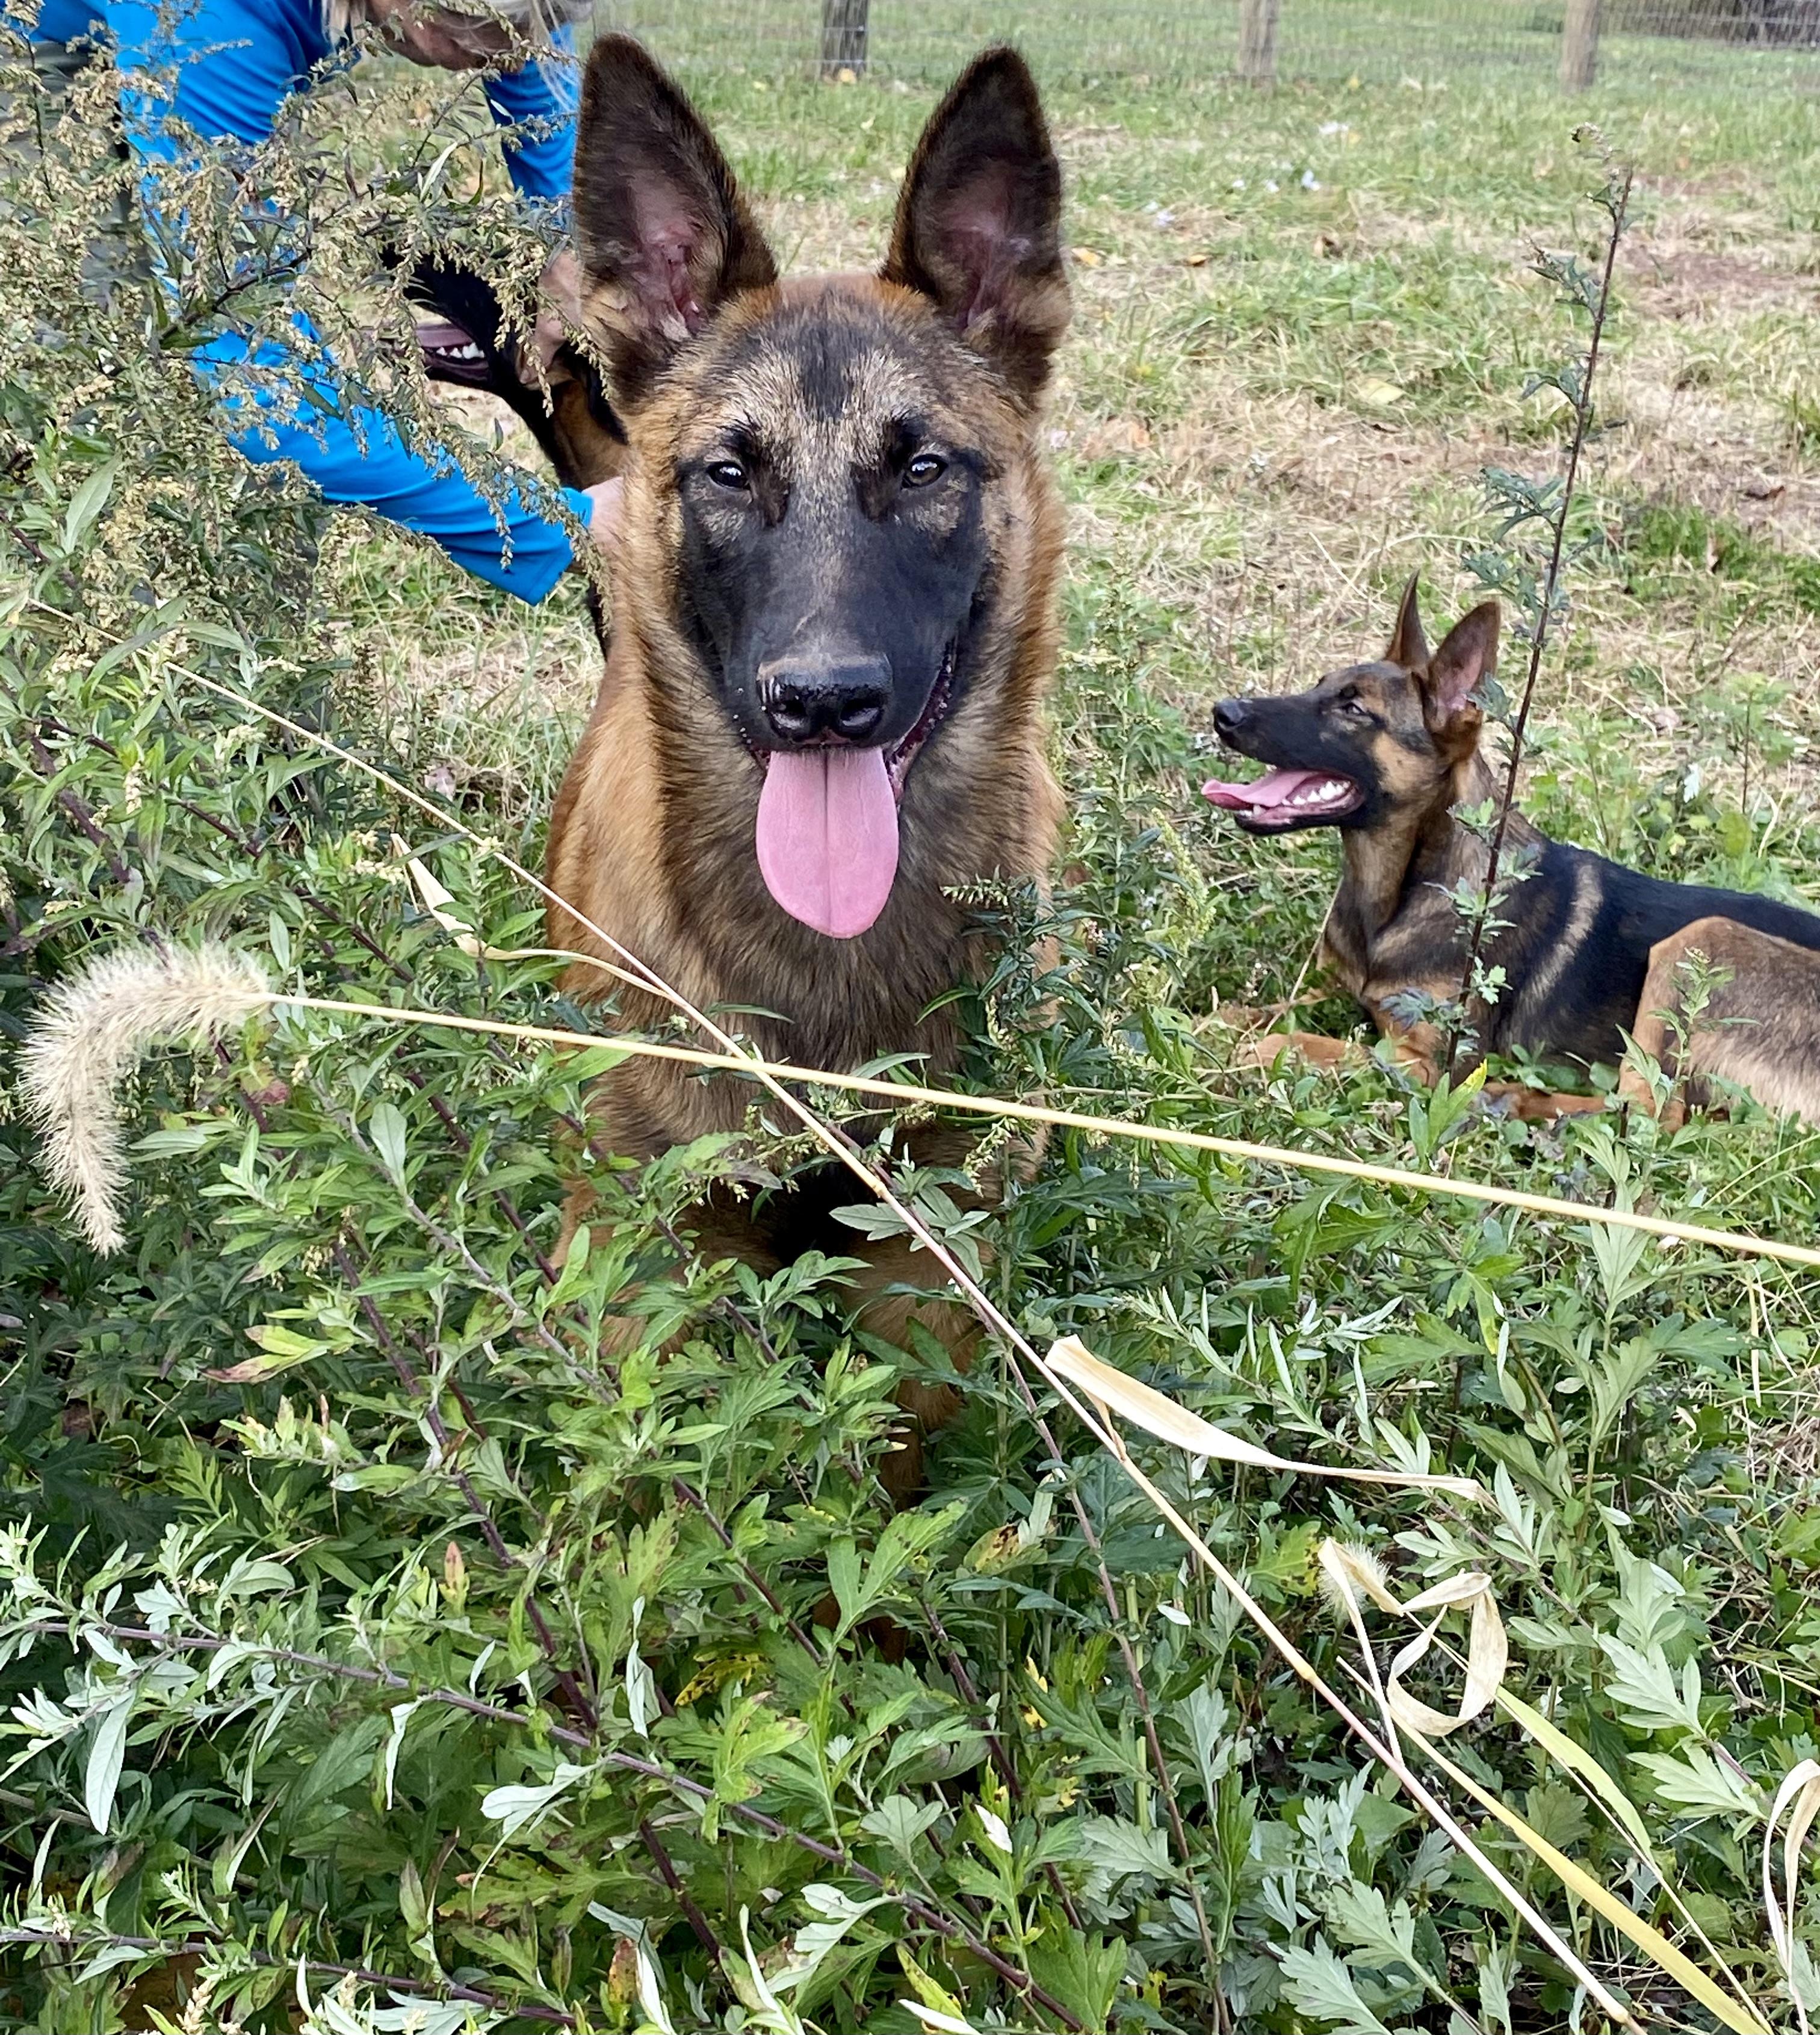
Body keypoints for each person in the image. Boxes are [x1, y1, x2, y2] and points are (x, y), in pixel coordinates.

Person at [4, 0, 619, 600]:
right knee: (96, 388)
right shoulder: (216, 26)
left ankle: (256, 616)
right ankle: (123, 626)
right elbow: (257, 383)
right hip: (37, 49)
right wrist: (558, 528)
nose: (509, 55)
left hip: (201, 43)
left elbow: (525, 49)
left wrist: (568, 242)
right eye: (476, 25)